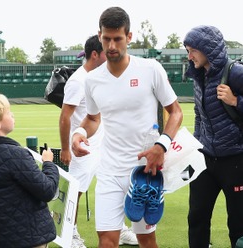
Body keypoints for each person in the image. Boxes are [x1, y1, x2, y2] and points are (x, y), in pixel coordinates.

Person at [71, 6, 183, 248]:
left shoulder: (150, 69)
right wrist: (79, 133)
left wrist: (161, 146)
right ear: (99, 35)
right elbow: (92, 118)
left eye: (117, 39)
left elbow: (176, 112)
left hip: (145, 170)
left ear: (129, 37)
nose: (111, 46)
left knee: (146, 239)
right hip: (109, 170)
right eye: (106, 38)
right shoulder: (92, 80)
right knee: (107, 240)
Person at [59, 34, 138, 247]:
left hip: (103, 144)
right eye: (105, 49)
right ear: (95, 54)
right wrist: (66, 148)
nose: (111, 52)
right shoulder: (77, 80)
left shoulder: (101, 76)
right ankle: (70, 234)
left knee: (114, 184)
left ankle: (119, 229)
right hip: (82, 148)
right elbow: (65, 116)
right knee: (76, 189)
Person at [183, 25, 243, 248]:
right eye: (187, 51)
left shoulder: (235, 73)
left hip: (236, 160)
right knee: (196, 217)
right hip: (205, 160)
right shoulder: (198, 75)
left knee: (238, 224)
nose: (189, 56)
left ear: (207, 49)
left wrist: (236, 101)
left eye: (192, 51)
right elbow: (199, 115)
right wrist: (195, 146)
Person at [0, 90, 59, 248]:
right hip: (26, 237)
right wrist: (49, 163)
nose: (12, 115)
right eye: (9, 112)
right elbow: (47, 190)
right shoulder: (15, 155)